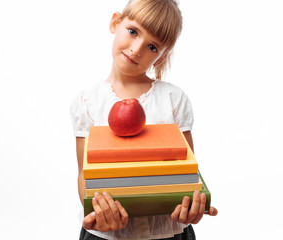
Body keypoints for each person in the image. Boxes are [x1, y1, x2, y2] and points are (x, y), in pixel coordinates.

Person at [70, 0, 218, 239]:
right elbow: (84, 173)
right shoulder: (86, 102)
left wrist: (193, 204)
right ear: (115, 22)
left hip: (168, 233)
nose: (137, 49)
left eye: (152, 47)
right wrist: (97, 212)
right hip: (107, 235)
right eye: (132, 31)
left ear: (160, 58)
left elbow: (188, 171)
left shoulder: (173, 98)